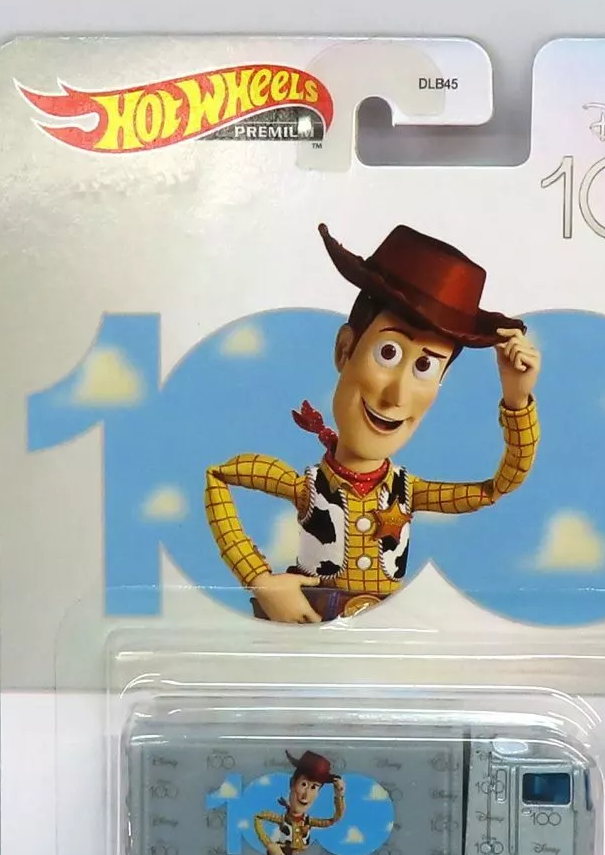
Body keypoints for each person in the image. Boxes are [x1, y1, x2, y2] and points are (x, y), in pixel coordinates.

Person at [205, 222, 540, 622]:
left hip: (383, 633)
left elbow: (498, 487)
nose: (396, 396)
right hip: (307, 625)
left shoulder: (408, 492)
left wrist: (517, 399)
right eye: (388, 353)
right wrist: (259, 579)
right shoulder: (307, 486)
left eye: (425, 366)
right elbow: (219, 476)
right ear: (345, 349)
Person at [253, 750, 345, 855]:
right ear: (292, 783)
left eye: (313, 787)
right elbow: (258, 817)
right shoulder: (282, 819)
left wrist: (339, 795)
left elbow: (333, 820)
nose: (306, 795)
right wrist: (269, 845)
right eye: (303, 784)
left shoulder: (309, 821)